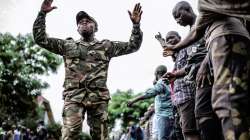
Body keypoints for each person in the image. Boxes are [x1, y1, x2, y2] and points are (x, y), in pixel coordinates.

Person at [32, 0, 143, 139]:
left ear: (95, 27)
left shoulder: (106, 46)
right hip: (73, 97)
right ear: (77, 29)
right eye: (80, 22)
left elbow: (133, 46)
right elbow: (40, 39)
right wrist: (42, 13)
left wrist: (136, 26)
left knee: (101, 136)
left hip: (98, 98)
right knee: (69, 134)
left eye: (88, 21)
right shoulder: (67, 45)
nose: (83, 22)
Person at [164, 1, 250, 139]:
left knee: (228, 102)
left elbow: (199, 37)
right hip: (206, 68)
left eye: (178, 16)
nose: (178, 20)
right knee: (211, 113)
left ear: (187, 9)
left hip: (225, 44)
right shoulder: (204, 16)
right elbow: (196, 32)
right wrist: (175, 50)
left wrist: (204, 64)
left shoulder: (207, 8)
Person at [128, 65, 174, 140]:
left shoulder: (161, 82)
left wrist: (134, 100)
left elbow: (148, 94)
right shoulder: (167, 82)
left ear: (156, 73)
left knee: (163, 138)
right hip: (168, 115)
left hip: (164, 116)